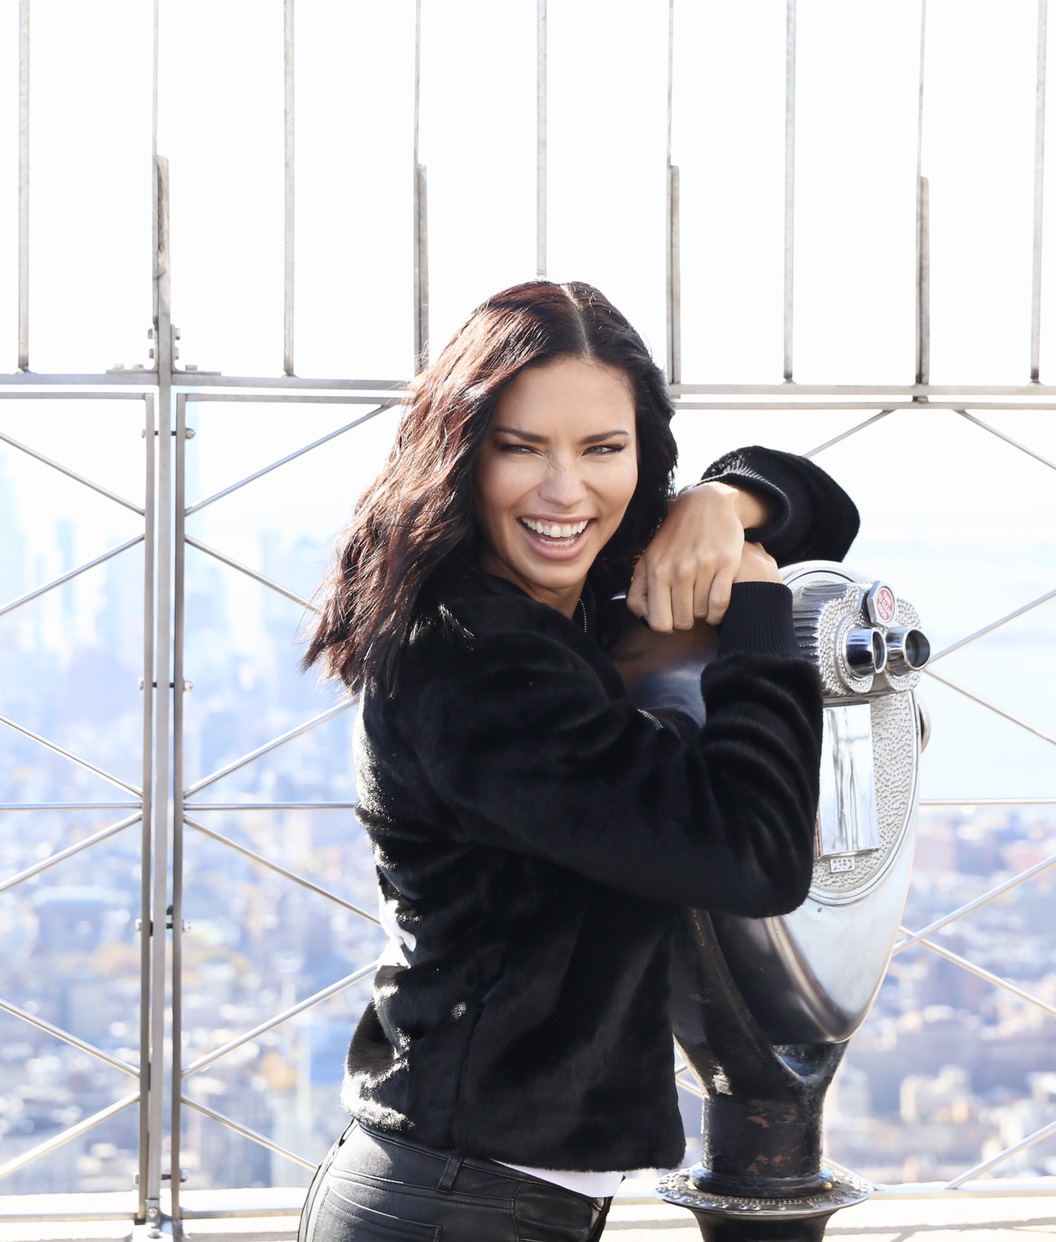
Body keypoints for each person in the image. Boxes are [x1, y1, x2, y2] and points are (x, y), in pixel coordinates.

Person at [297, 279, 858, 1241]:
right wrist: (762, 615)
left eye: (605, 449)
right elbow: (752, 857)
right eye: (521, 448)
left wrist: (722, 502)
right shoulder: (475, 660)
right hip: (454, 1204)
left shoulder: (573, 594)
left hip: (493, 1195)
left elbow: (826, 509)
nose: (566, 491)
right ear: (460, 454)